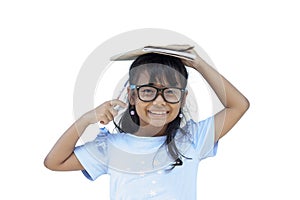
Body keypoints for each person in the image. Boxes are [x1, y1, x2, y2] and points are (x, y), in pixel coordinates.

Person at [44, 45, 249, 199]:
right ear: (132, 96)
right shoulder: (112, 146)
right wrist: (86, 119)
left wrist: (198, 63)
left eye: (170, 92)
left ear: (183, 99)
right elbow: (55, 162)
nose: (159, 101)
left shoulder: (193, 139)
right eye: (148, 91)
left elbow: (239, 105)